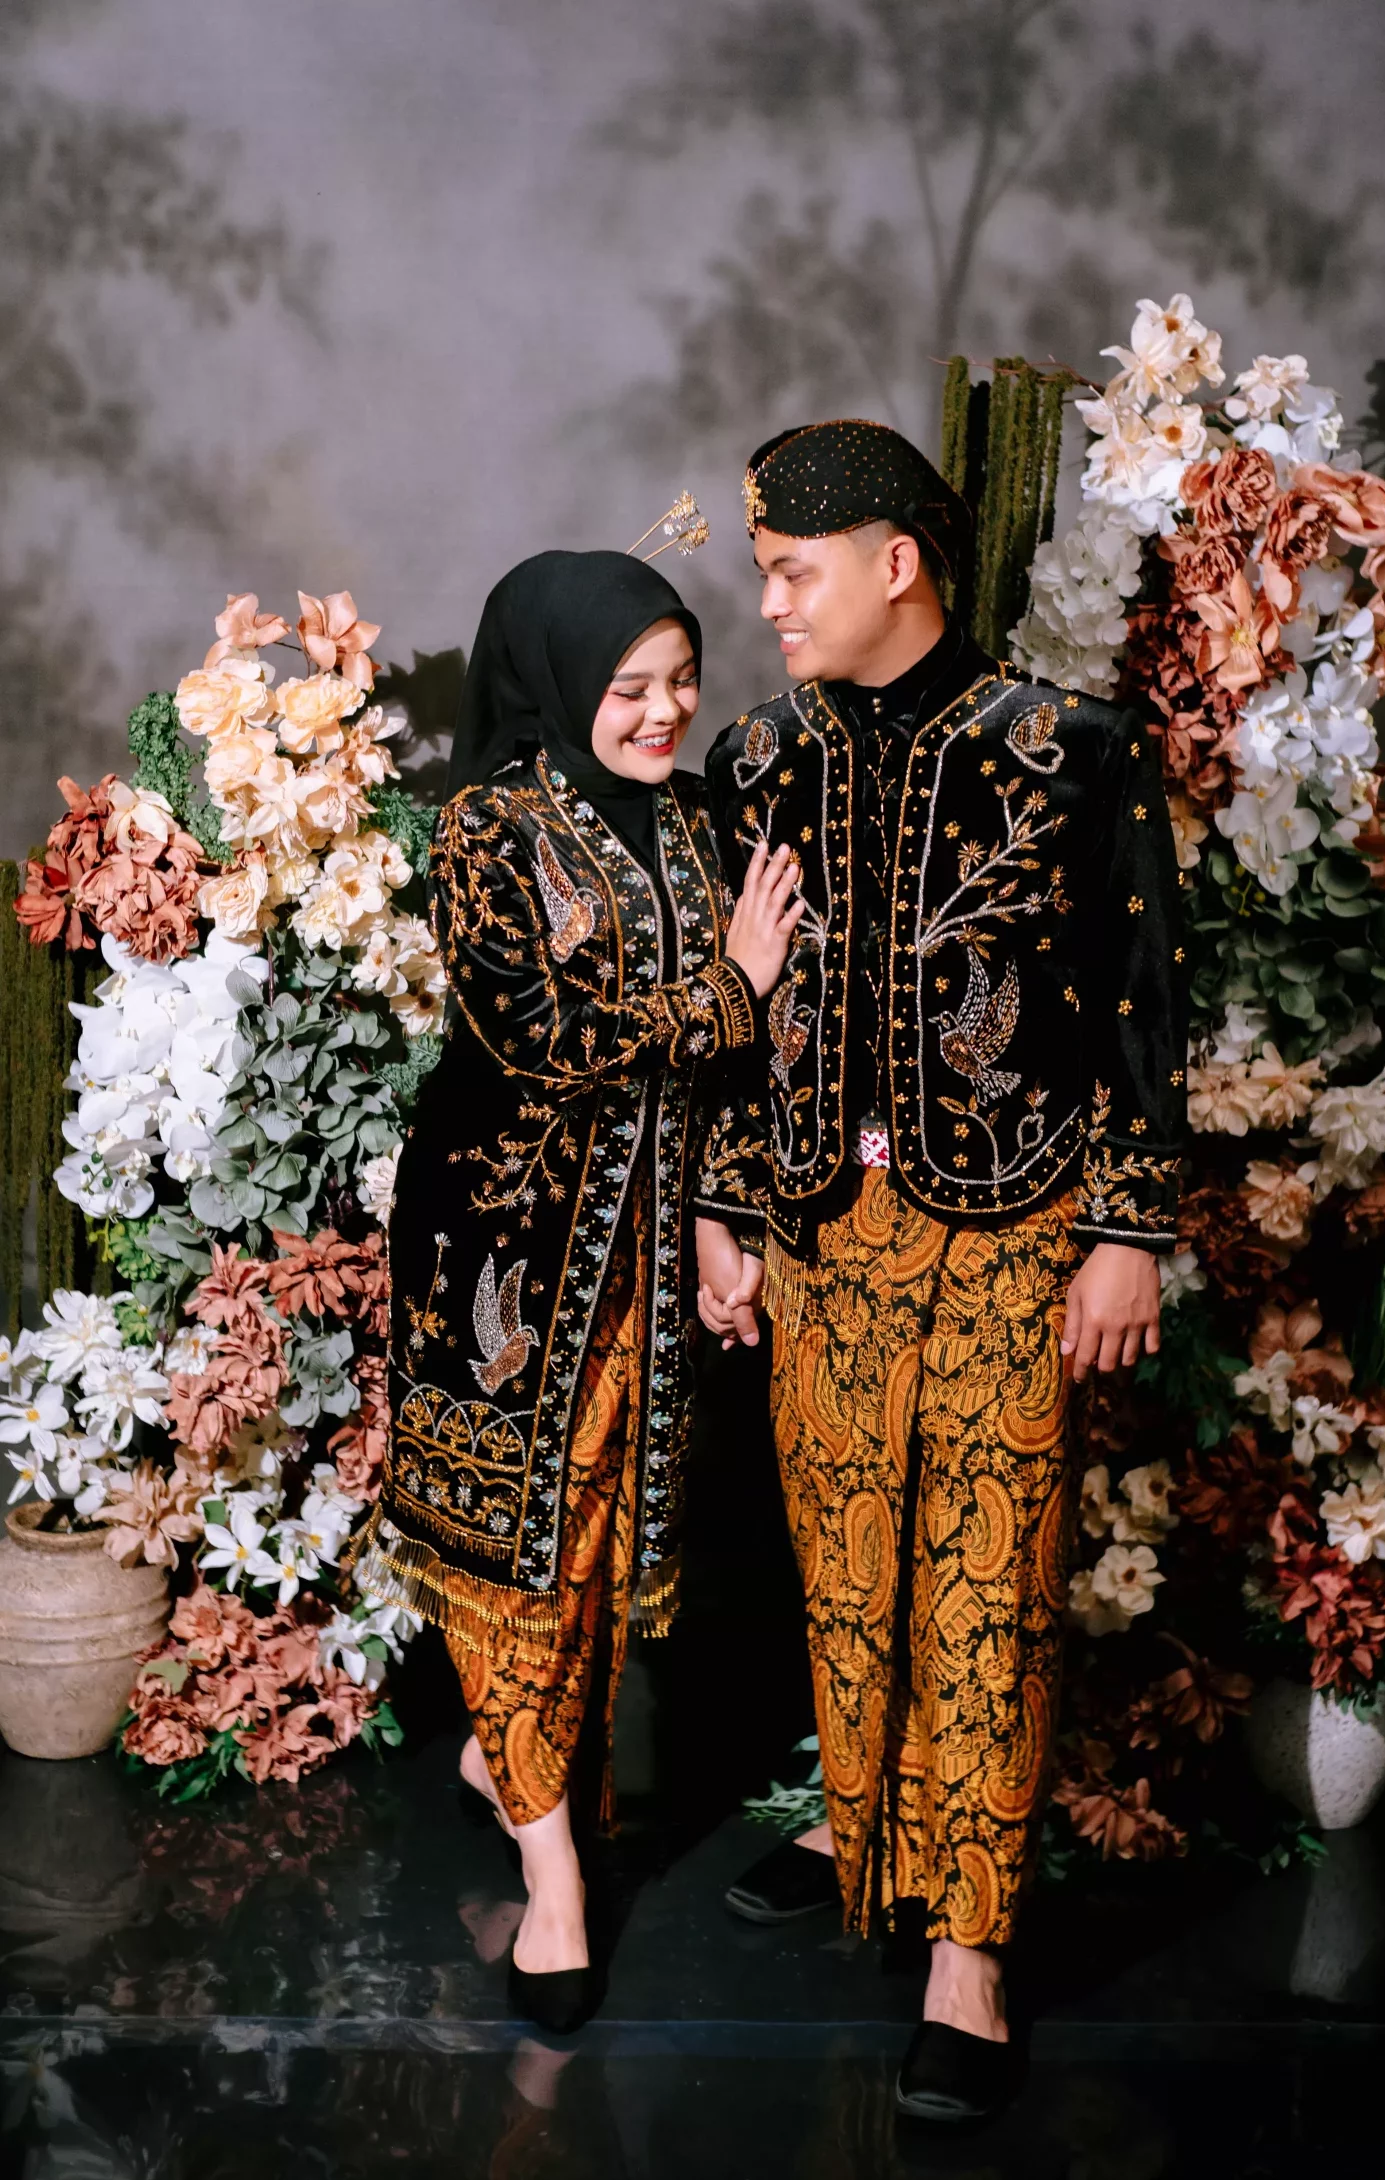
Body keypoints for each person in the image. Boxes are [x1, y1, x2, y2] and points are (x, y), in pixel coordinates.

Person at [696, 420, 1188, 2122]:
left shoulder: (1071, 751)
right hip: (814, 1235)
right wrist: (718, 1213)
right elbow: (735, 1015)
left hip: (1012, 1230)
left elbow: (1142, 1004)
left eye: (792, 571)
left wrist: (1125, 1231)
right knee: (846, 1568)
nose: (769, 603)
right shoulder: (753, 760)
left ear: (893, 562)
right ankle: (865, 1831)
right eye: (763, 571)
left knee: (986, 1578)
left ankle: (966, 1956)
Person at [361, 548, 803, 2034]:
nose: (666, 712)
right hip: (501, 1257)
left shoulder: (696, 824)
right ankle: (555, 1882)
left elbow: (731, 1073)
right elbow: (542, 1037)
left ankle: (511, 1763)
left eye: (682, 681)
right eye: (629, 687)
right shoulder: (486, 830)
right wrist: (731, 986)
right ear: (556, 685)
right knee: (517, 1556)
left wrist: (722, 1224)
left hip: (645, 1264)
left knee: (599, 1538)